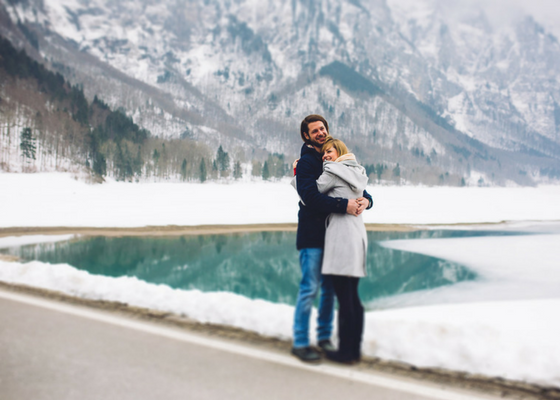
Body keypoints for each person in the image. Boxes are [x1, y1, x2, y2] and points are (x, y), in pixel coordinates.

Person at [291, 114, 372, 362]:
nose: (320, 132)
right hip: (313, 236)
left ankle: (324, 337)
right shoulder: (306, 163)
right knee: (310, 288)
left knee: (329, 291)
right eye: (314, 130)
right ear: (306, 136)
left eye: (322, 128)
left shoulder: (335, 158)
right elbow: (310, 198)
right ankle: (301, 342)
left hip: (335, 237)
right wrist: (344, 205)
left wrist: (367, 201)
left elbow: (359, 189)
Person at [317, 137, 368, 364]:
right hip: (357, 234)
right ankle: (354, 349)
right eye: (324, 153)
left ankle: (345, 353)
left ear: (340, 151)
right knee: (353, 297)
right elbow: (365, 197)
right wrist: (367, 201)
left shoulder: (333, 172)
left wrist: (298, 173)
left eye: (330, 151)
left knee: (344, 298)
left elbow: (310, 194)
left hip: (341, 235)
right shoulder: (357, 171)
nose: (326, 156)